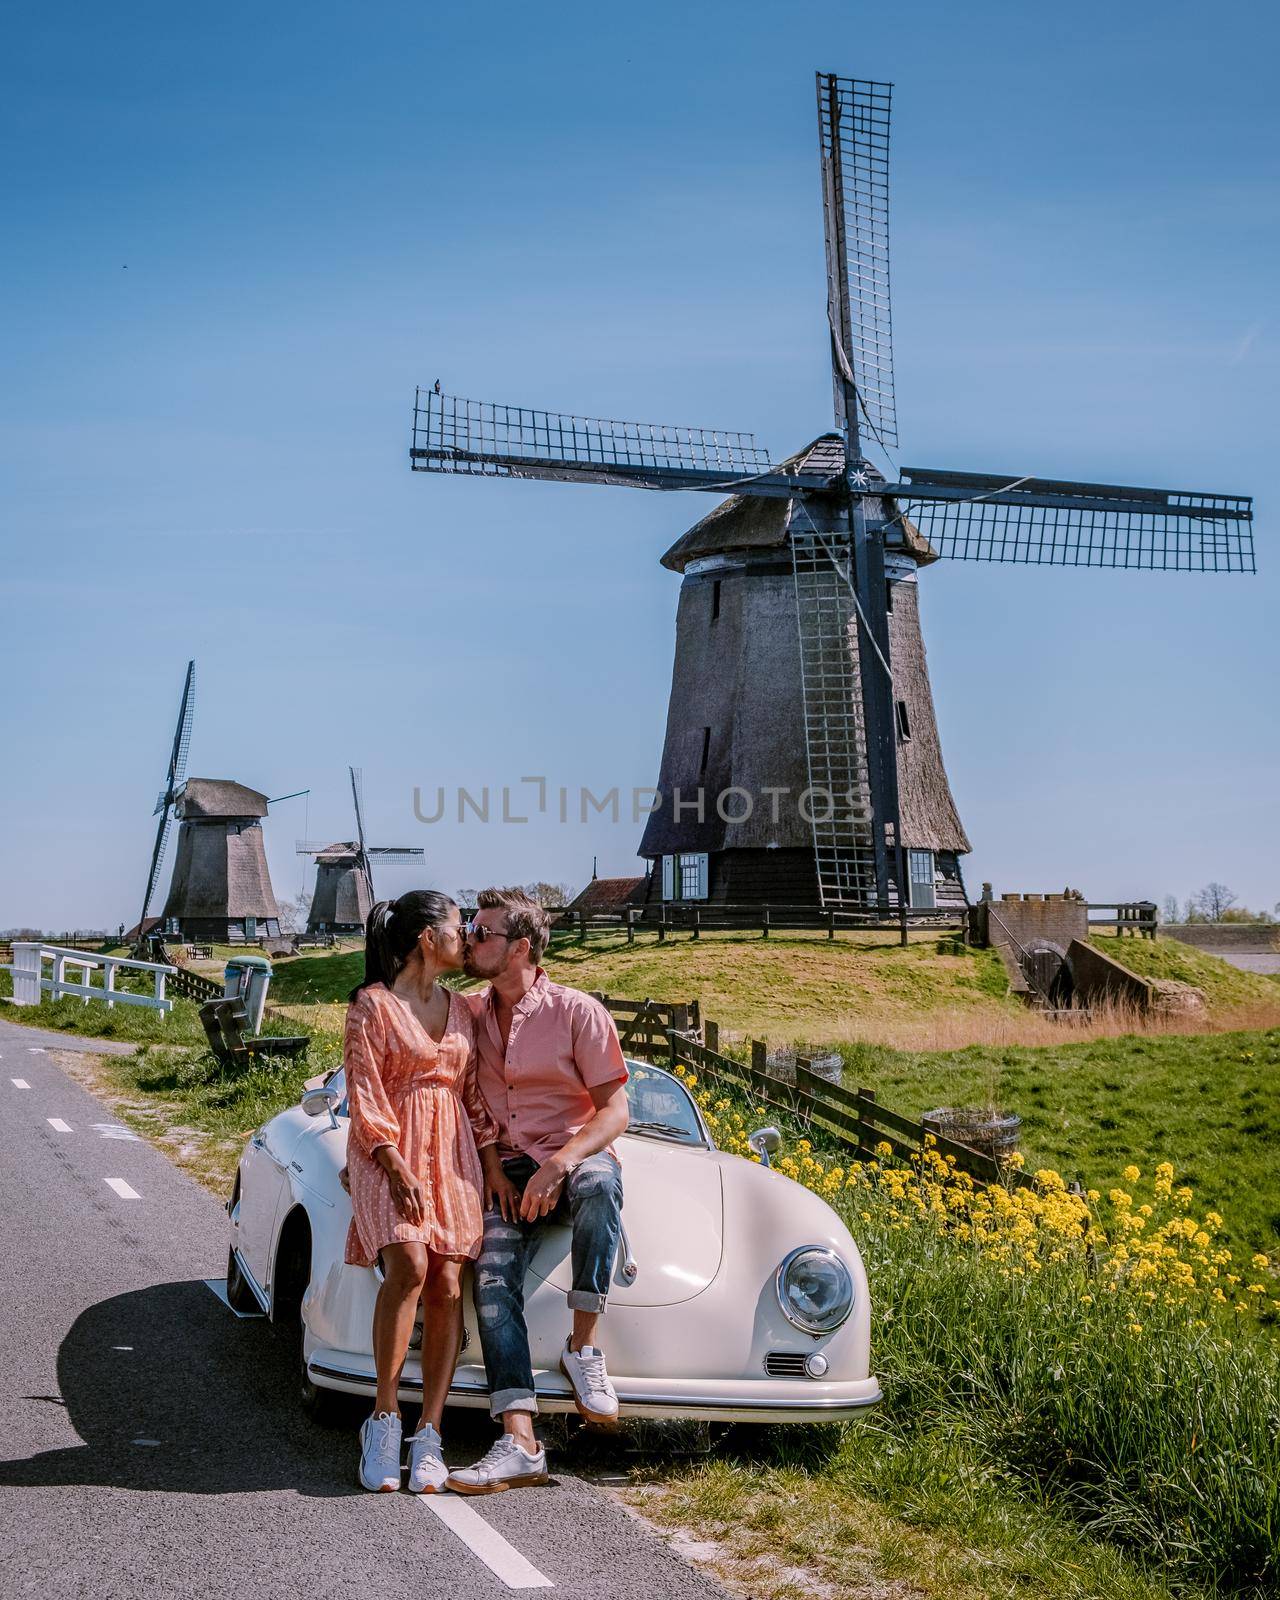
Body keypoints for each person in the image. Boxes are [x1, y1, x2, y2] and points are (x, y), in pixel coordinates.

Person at [445, 887, 630, 1496]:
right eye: (470, 931)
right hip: (506, 1167)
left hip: (571, 1155)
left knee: (601, 1182)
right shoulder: (468, 1013)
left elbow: (614, 1112)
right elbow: (468, 1100)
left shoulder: (578, 1012)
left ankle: (583, 1348)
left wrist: (560, 1164)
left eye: (484, 933)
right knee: (492, 1277)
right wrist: (494, 1166)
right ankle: (520, 1442)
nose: (472, 940)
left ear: (521, 947)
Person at [343, 890, 505, 1494]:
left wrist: (489, 1165)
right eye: (459, 927)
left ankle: (429, 1433)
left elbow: (473, 1097)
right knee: (409, 1264)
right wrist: (392, 1163)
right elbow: (364, 1094)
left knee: (444, 1280)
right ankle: (384, 1418)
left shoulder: (463, 1009)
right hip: (389, 1150)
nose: (465, 937)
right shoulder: (373, 1006)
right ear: (425, 938)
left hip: (455, 1151)